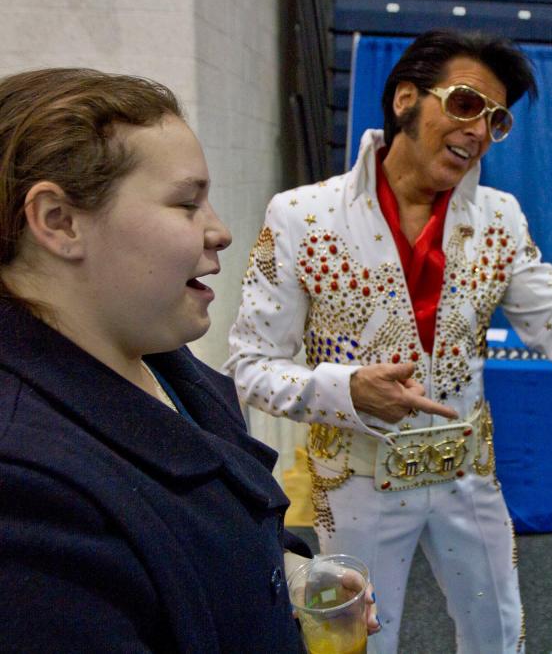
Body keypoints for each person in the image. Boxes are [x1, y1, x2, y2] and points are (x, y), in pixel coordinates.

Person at [225, 29, 552, 653]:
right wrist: (347, 391)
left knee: (497, 632)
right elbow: (250, 367)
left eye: (496, 120)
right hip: (356, 478)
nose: (480, 131)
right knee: (358, 640)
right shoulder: (301, 215)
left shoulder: (499, 218)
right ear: (405, 99)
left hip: (467, 474)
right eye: (467, 104)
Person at [0, 67, 377, 651]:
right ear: (60, 221)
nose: (220, 231)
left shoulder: (173, 370)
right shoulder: (25, 494)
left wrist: (293, 575)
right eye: (186, 203)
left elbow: (218, 526)